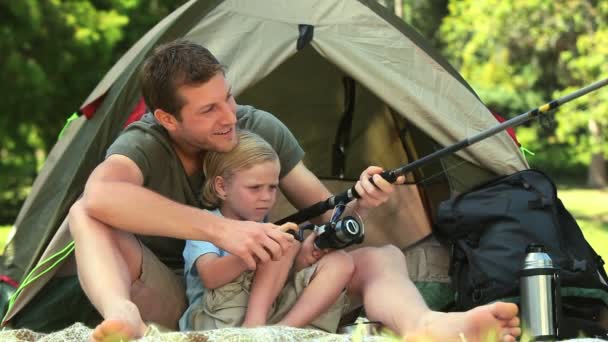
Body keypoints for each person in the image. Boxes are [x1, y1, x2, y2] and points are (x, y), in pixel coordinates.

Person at [68, 39, 521, 342]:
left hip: (267, 290)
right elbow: (101, 196)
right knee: (85, 214)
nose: (229, 115)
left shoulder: (256, 125)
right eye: (208, 109)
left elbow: (326, 215)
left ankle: (426, 325)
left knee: (382, 257)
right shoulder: (146, 143)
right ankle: (121, 315)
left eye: (228, 96)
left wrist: (358, 204)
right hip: (180, 296)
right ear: (168, 119)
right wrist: (225, 233)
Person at [180, 130, 354, 332]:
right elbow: (210, 276)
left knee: (340, 261)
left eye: (272, 188)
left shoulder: (265, 225)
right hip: (217, 318)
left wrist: (303, 258)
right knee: (278, 241)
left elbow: (273, 277)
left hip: (267, 315)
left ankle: (282, 331)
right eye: (255, 188)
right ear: (221, 187)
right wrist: (259, 248)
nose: (266, 197)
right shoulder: (207, 223)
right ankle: (255, 327)